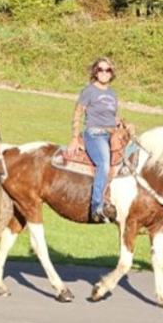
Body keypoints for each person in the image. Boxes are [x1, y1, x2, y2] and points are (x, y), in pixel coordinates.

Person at [69, 56, 120, 223]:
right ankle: (97, 207)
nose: (104, 73)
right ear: (95, 72)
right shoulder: (89, 91)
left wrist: (122, 125)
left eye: (108, 70)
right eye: (101, 70)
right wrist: (75, 138)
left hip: (111, 135)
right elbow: (78, 112)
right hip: (95, 135)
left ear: (112, 73)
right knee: (104, 164)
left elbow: (113, 117)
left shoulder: (113, 94)